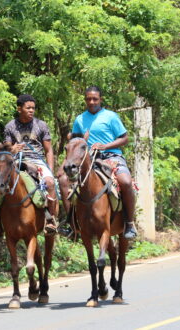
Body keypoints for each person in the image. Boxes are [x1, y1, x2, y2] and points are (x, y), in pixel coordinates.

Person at [57, 86, 137, 240]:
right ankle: (70, 223)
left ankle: (129, 223)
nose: (91, 102)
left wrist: (105, 146)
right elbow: (74, 143)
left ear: (101, 99)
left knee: (125, 182)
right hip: (87, 159)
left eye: (95, 99)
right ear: (85, 99)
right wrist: (63, 165)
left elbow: (125, 138)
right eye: (88, 99)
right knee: (63, 181)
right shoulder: (80, 119)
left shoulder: (111, 116)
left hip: (112, 156)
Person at [0, 94, 58, 239]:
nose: (31, 111)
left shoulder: (41, 125)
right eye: (28, 108)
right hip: (16, 161)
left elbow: (49, 150)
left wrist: (50, 170)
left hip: (37, 161)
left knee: (50, 183)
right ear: (19, 109)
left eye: (33, 108)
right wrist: (13, 149)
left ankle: (51, 220)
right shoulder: (10, 126)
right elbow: (6, 148)